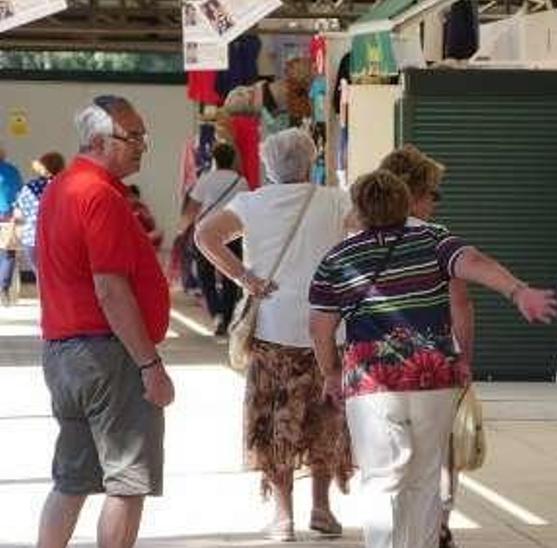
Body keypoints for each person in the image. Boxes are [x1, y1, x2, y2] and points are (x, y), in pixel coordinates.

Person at [308, 170, 557, 548]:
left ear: (358, 209)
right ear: (405, 202)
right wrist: (518, 291)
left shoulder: (338, 258)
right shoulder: (434, 238)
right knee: (426, 480)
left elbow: (319, 328)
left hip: (372, 382)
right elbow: (475, 262)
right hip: (433, 376)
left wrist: (330, 372)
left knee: (382, 481)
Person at [194, 128, 352, 541]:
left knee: (276, 419)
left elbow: (204, 235)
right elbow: (368, 233)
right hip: (329, 331)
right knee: (326, 417)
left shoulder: (252, 203)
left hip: (274, 329)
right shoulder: (335, 201)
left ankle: (283, 518)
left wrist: (245, 277)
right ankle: (322, 508)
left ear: (268, 165)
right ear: (311, 161)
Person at [36, 95, 174, 548]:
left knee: (72, 479)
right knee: (127, 483)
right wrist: (150, 365)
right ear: (97, 140)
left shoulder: (61, 188)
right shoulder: (100, 196)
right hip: (107, 355)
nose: (141, 146)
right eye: (131, 137)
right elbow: (111, 290)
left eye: (142, 136)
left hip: (64, 352)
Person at [376, 145, 473, 548]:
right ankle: (434, 531)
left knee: (387, 466)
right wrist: (465, 360)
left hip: (374, 371)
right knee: (432, 459)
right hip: (430, 369)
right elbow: (460, 306)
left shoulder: (357, 236)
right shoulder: (437, 241)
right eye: (434, 193)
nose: (437, 202)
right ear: (413, 194)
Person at [182, 143, 248, 335]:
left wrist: (182, 228)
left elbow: (193, 207)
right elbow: (246, 209)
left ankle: (216, 313)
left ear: (215, 160)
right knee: (232, 273)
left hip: (206, 233)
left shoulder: (206, 179)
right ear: (233, 159)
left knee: (205, 275)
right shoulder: (240, 181)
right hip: (233, 233)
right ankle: (227, 318)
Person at [13, 152, 65, 283]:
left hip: (32, 238)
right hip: (59, 239)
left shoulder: (29, 187)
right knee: (60, 279)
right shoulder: (66, 186)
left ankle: (45, 302)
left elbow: (18, 214)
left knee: (42, 280)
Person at [0, 143, 23, 303]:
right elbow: (19, 193)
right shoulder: (11, 171)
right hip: (7, 214)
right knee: (9, 252)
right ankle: (3, 290)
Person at [125, 185, 163, 250]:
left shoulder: (142, 207)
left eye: (133, 196)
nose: (131, 199)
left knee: (159, 233)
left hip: (144, 236)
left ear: (137, 197)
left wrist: (147, 217)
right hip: (131, 237)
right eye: (128, 197)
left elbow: (152, 225)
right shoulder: (124, 208)